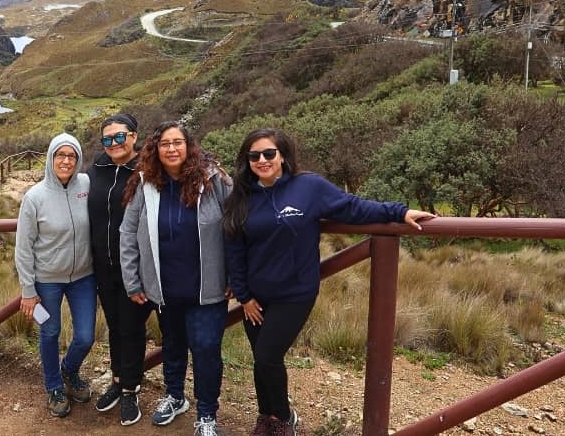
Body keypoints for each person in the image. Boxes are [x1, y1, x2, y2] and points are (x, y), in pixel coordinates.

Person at [222, 129, 436, 436]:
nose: (262, 160)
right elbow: (235, 250)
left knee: (268, 355)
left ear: (283, 155)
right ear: (247, 161)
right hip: (255, 297)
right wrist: (243, 295)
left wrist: (399, 212)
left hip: (294, 293)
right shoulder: (240, 197)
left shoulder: (308, 187)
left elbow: (353, 207)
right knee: (262, 360)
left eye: (269, 153)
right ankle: (266, 415)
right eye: (254, 156)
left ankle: (283, 419)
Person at [119, 121, 232, 436]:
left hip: (207, 288)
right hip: (164, 288)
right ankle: (175, 395)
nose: (171, 149)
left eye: (177, 142)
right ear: (155, 149)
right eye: (164, 143)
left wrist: (237, 275)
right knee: (173, 344)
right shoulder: (145, 184)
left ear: (189, 145)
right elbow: (127, 232)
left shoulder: (215, 180)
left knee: (206, 348)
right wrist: (133, 280)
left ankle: (207, 415)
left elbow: (237, 226)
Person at [14, 133, 96, 418]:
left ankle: (69, 371)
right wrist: (28, 290)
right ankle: (54, 387)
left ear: (78, 159)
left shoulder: (86, 184)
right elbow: (23, 248)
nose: (66, 160)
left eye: (71, 155)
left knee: (86, 336)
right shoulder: (34, 197)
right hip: (46, 281)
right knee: (49, 332)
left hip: (84, 277)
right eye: (60, 155)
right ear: (50, 158)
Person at [87, 113, 152, 426]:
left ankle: (131, 388)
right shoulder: (97, 168)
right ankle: (117, 379)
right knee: (115, 326)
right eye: (107, 139)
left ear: (134, 136)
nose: (113, 143)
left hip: (135, 269)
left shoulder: (147, 171)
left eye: (119, 137)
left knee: (132, 327)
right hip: (103, 267)